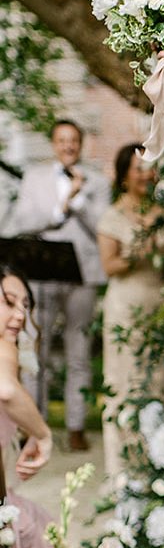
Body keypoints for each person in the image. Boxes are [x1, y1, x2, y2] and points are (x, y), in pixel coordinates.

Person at [5, 119, 108, 451]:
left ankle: (76, 426)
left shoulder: (98, 181)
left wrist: (78, 203)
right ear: (53, 144)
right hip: (41, 273)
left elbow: (104, 230)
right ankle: (36, 426)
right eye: (62, 140)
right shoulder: (34, 178)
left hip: (83, 276)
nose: (68, 146)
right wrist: (57, 211)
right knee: (36, 351)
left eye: (74, 140)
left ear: (81, 144)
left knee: (79, 352)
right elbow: (20, 222)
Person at [97, 144, 164, 480]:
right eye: (137, 168)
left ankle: (160, 462)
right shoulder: (112, 216)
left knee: (160, 383)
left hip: (162, 305)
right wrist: (142, 251)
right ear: (124, 175)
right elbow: (109, 265)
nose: (145, 174)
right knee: (125, 383)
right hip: (125, 306)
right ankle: (123, 471)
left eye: (149, 167)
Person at [0, 263, 54, 548]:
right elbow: (6, 391)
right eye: (8, 302)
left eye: (25, 305)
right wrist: (44, 435)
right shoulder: (4, 349)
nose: (20, 314)